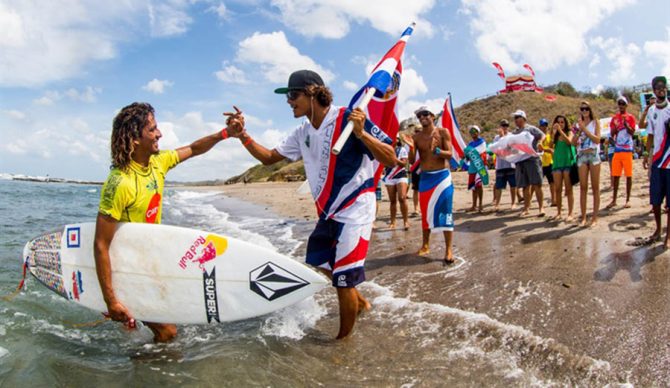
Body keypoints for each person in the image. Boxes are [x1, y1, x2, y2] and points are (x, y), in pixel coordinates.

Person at [228, 70, 396, 339]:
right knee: (322, 266)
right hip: (328, 213)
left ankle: (342, 344)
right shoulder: (302, 131)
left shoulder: (347, 118)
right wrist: (243, 136)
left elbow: (391, 158)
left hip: (356, 210)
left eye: (293, 95)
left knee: (343, 280)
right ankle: (361, 302)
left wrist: (362, 133)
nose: (289, 101)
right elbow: (270, 158)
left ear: (312, 92)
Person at [94, 102, 238, 342]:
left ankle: (141, 359)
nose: (159, 134)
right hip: (129, 269)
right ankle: (143, 374)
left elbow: (193, 148)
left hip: (150, 262)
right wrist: (111, 300)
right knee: (167, 331)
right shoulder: (119, 183)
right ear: (134, 138)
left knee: (165, 326)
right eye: (152, 129)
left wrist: (226, 134)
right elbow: (100, 244)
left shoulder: (157, 163)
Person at [404, 106, 455, 265]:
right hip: (425, 178)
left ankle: (448, 249)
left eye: (425, 114)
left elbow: (450, 154)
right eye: (419, 115)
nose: (422, 117)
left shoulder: (442, 132)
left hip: (442, 177)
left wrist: (437, 151)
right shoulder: (417, 137)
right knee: (426, 213)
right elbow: (412, 161)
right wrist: (411, 147)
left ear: (432, 116)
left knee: (445, 212)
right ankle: (425, 245)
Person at [642, 76, 670, 247]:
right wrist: (646, 154)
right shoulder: (651, 111)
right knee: (656, 200)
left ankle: (668, 236)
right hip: (657, 161)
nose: (661, 89)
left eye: (664, 87)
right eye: (658, 87)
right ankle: (658, 230)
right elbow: (650, 135)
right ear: (653, 90)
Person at [572, 101, 602, 227]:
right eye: (582, 109)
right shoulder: (577, 124)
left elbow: (597, 139)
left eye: (586, 109)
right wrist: (579, 130)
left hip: (593, 154)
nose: (584, 111)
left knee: (595, 187)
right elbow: (573, 142)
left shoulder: (596, 122)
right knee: (583, 187)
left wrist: (585, 129)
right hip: (582, 156)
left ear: (590, 110)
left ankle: (594, 217)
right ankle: (583, 217)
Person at [511, 110, 546, 217]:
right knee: (525, 186)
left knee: (537, 184)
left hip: (532, 159)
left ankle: (541, 208)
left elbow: (542, 135)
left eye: (518, 117)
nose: (516, 120)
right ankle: (526, 208)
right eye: (515, 118)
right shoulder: (514, 132)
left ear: (523, 118)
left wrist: (540, 142)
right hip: (521, 161)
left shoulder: (531, 128)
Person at [606, 96, 637, 209]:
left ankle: (627, 199)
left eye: (623, 103)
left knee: (628, 175)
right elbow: (611, 134)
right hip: (617, 151)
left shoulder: (631, 117)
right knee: (616, 175)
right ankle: (614, 200)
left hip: (627, 150)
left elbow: (633, 133)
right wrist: (616, 127)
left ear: (626, 105)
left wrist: (626, 125)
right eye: (619, 103)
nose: (621, 106)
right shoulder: (614, 118)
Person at [549, 115, 575, 221]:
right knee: (558, 189)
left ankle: (570, 213)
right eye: (558, 122)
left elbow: (569, 141)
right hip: (557, 164)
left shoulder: (569, 132)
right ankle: (559, 212)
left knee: (569, 189)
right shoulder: (554, 134)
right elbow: (550, 145)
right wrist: (554, 134)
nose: (560, 124)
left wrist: (560, 131)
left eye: (562, 122)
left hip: (567, 163)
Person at [383, 138, 411, 230]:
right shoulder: (385, 148)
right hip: (389, 177)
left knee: (402, 198)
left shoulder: (402, 150)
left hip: (401, 175)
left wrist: (394, 159)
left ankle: (406, 221)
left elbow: (403, 164)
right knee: (392, 201)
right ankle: (392, 222)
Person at [492, 119, 517, 211]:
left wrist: (503, 138)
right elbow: (495, 149)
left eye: (506, 125)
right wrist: (501, 138)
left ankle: (513, 203)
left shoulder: (511, 136)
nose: (505, 127)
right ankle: (497, 204)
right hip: (500, 165)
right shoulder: (496, 137)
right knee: (499, 186)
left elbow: (511, 149)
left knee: (513, 185)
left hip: (510, 164)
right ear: (500, 126)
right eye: (503, 125)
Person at [465, 125, 486, 213]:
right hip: (472, 167)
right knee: (473, 187)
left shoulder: (482, 142)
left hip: (480, 167)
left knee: (479, 185)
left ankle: (480, 204)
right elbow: (468, 156)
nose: (473, 133)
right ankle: (474, 205)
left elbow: (480, 152)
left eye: (474, 131)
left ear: (478, 132)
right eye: (471, 132)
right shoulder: (470, 144)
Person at [537, 118, 556, 207]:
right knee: (536, 184)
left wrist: (546, 149)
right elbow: (538, 148)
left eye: (545, 125)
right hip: (539, 162)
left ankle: (554, 200)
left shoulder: (550, 136)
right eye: (542, 125)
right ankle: (528, 202)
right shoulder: (536, 137)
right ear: (539, 127)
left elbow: (552, 149)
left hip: (549, 162)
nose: (544, 127)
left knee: (552, 182)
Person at [408, 126, 422, 216]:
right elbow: (410, 160)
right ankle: (416, 208)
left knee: (426, 188)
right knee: (416, 189)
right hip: (416, 167)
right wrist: (411, 147)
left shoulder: (427, 140)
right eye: (416, 131)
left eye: (419, 131)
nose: (417, 133)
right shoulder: (410, 143)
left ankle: (425, 207)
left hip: (426, 166)